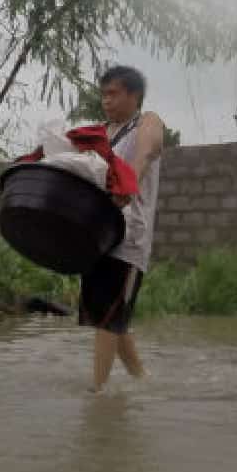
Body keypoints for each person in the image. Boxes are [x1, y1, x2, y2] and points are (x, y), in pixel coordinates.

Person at [80, 65, 164, 392]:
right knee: (113, 318)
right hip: (98, 238)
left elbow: (147, 149)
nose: (106, 100)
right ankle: (144, 383)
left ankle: (96, 394)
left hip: (129, 241)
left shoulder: (147, 122)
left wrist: (132, 177)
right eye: (103, 94)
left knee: (107, 318)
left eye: (113, 93)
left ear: (134, 95)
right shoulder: (100, 133)